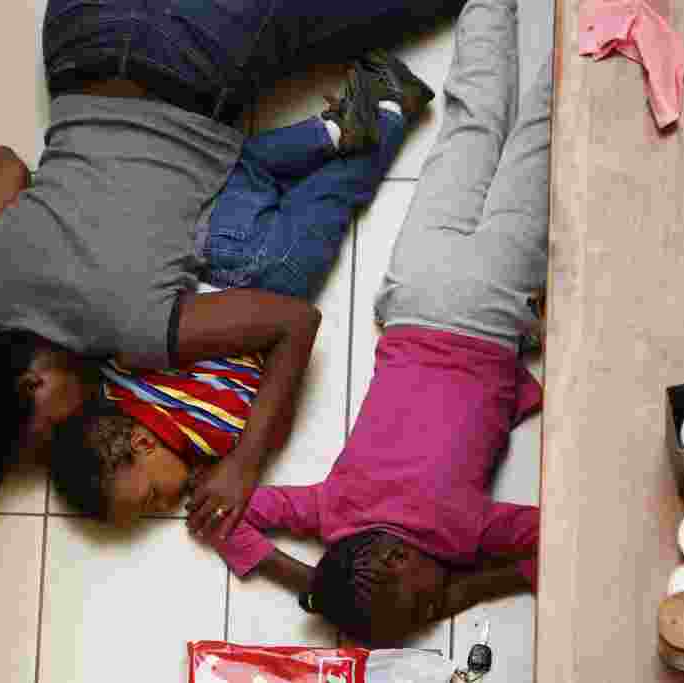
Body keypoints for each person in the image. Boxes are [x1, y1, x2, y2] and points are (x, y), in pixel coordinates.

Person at [0, 0, 465, 539]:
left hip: (191, 47)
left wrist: (246, 464)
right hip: (77, 35)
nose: (61, 437)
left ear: (33, 384)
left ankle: (376, 110)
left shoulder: (127, 332)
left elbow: (294, 322)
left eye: (43, 437)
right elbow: (1, 162)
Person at [205, 0, 553, 646]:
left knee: (541, 141)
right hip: (413, 294)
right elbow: (226, 517)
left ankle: (601, 33)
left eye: (424, 608)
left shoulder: (460, 531)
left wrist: (467, 588)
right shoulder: (330, 513)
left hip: (488, 307)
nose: (435, 608)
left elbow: (556, 539)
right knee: (471, 126)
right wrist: (307, 581)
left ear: (397, 561)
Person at [45, 52, 435, 528]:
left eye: (150, 498)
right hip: (204, 240)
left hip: (269, 277)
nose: (164, 505)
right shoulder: (112, 381)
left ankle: (391, 105)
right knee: (250, 169)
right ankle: (327, 132)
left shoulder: (214, 435)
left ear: (144, 444)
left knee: (331, 195)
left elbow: (273, 387)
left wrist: (239, 465)